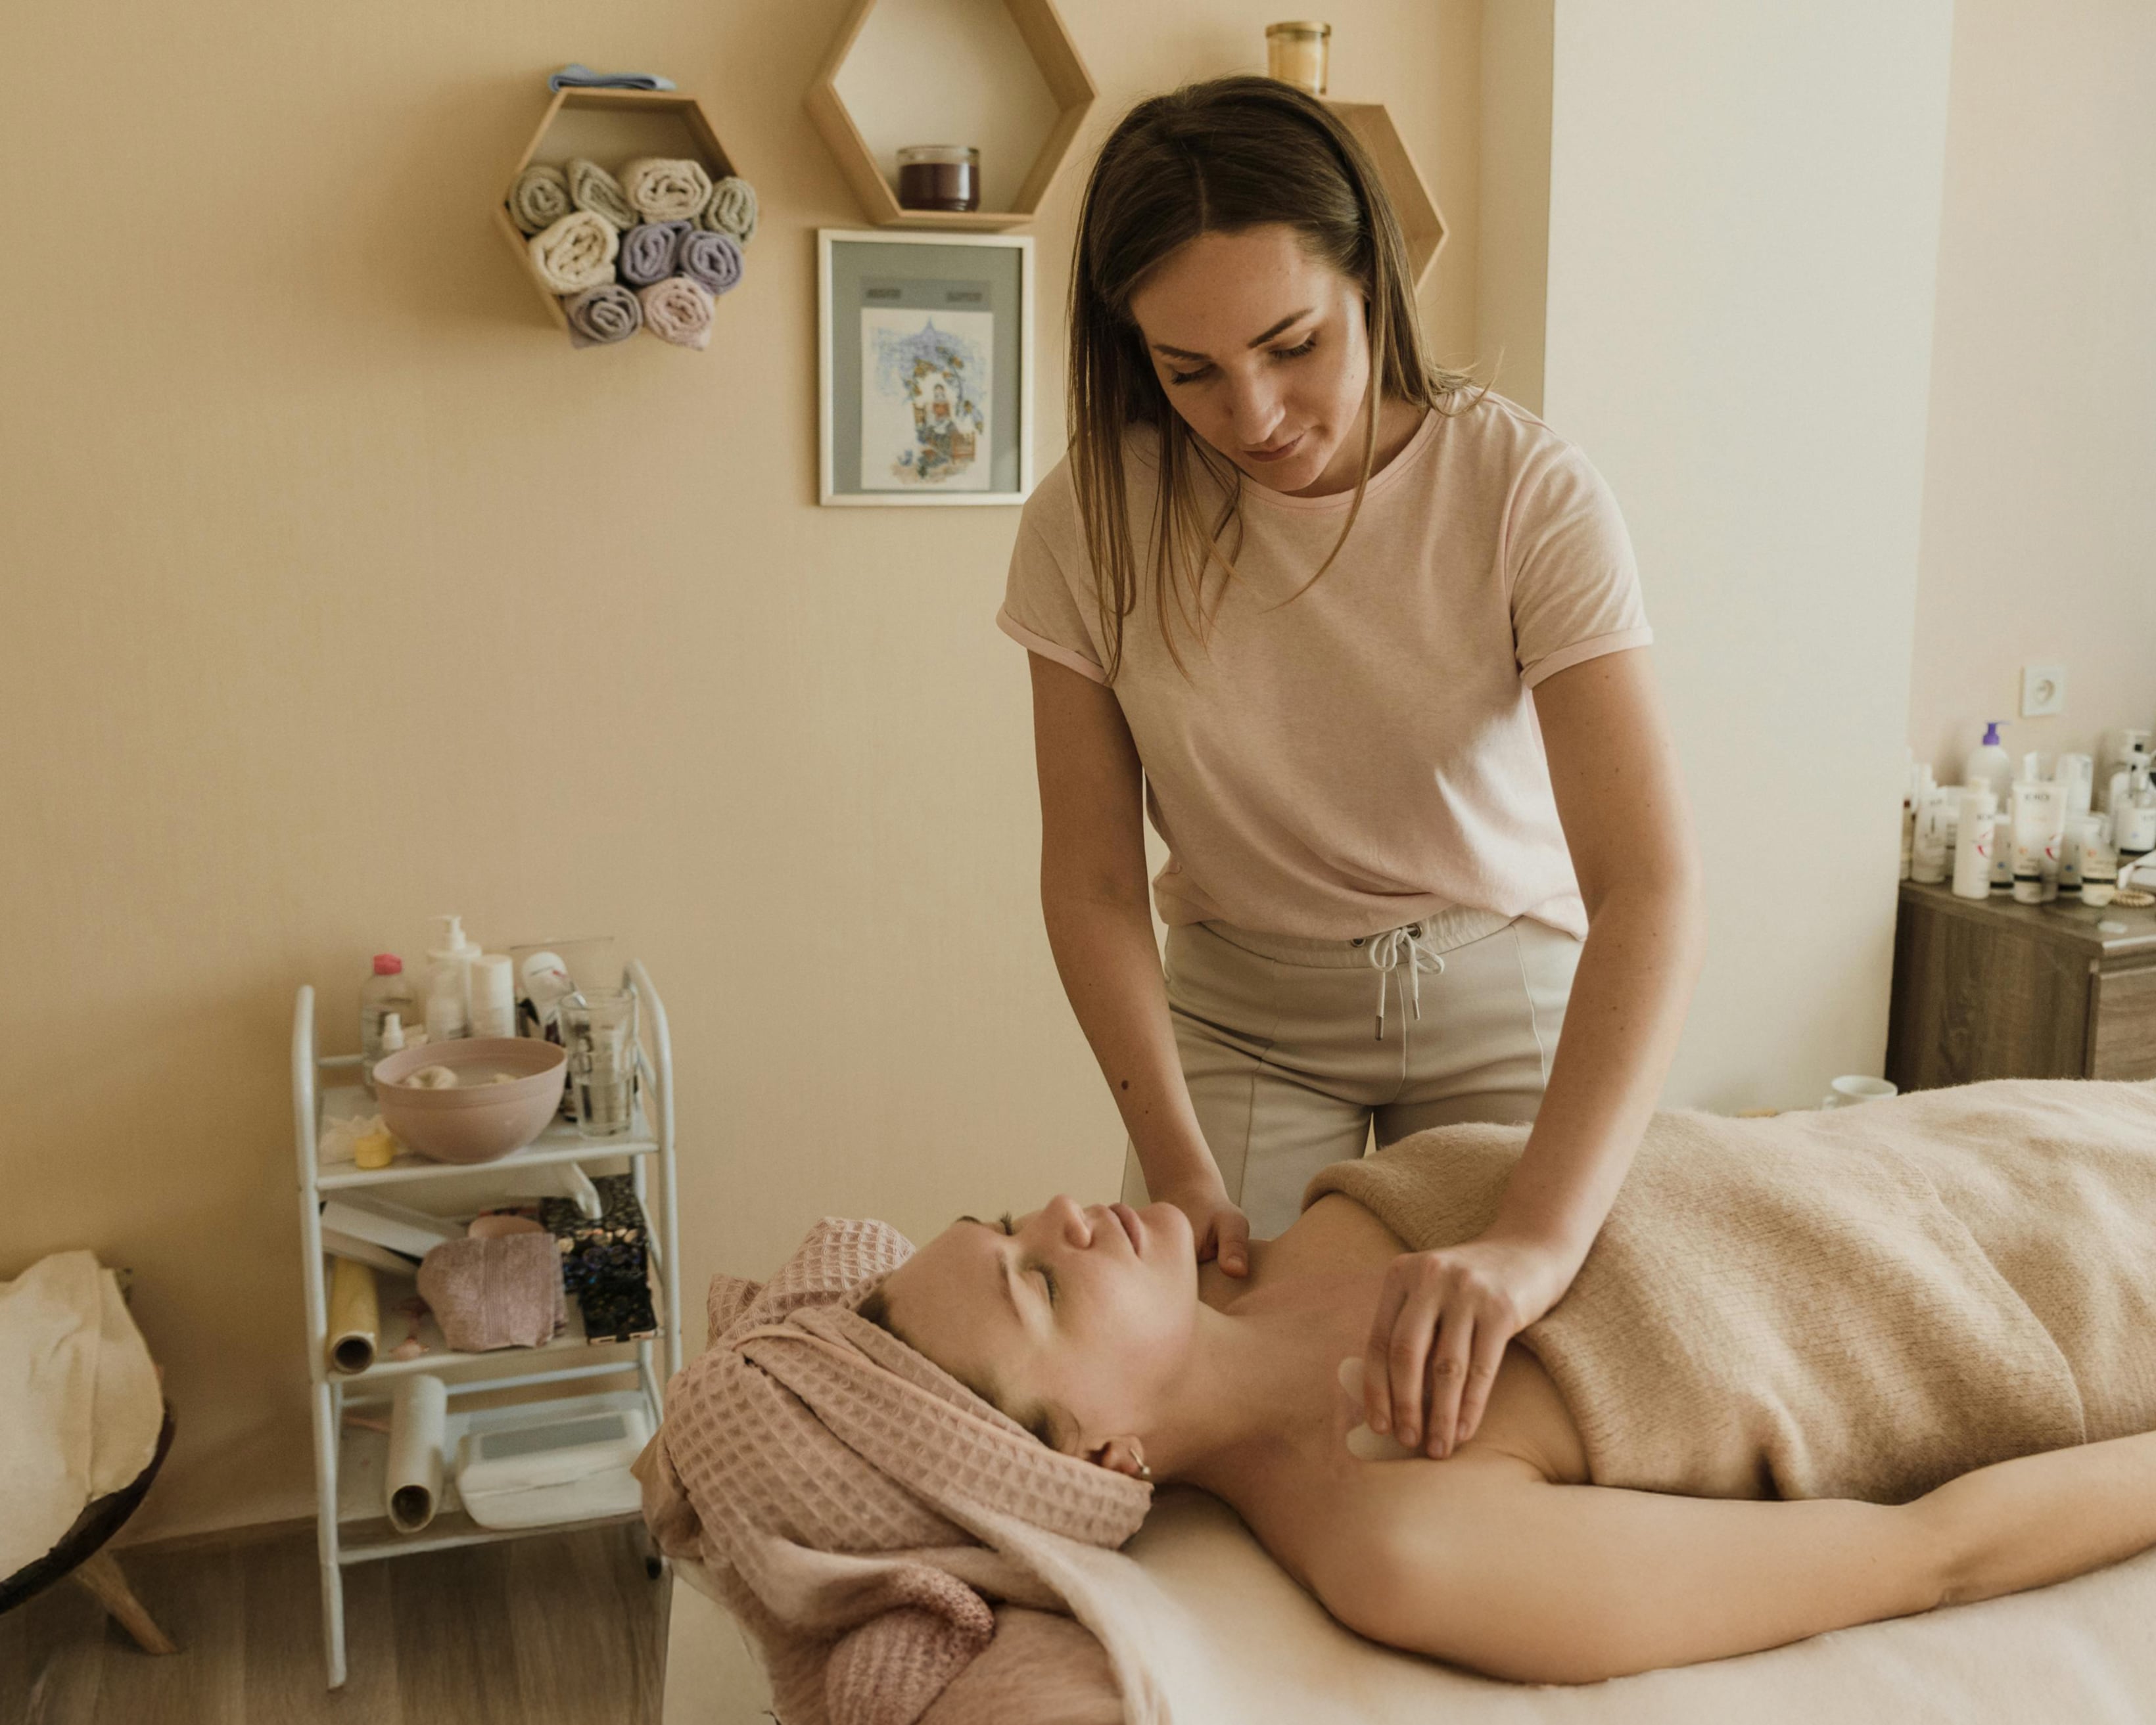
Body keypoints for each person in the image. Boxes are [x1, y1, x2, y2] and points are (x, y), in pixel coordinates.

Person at [997, 76, 1704, 1463]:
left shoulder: (1521, 493)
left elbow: (1649, 884)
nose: (1250, 412)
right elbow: (1087, 881)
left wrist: (1538, 1240)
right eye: (1185, 369)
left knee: (1517, 1404)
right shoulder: (1088, 517)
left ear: (1370, 278)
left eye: (1290, 343)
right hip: (1240, 1013)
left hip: (1499, 979)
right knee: (1197, 1416)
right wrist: (1184, 1168)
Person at [847, 1078, 2156, 1687]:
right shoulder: (1403, 1532)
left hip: (2007, 1148)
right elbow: (1932, 1555)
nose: (1071, 1212)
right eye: (1040, 1284)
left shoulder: (1313, 1221)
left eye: (1011, 1224)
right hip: (2078, 1305)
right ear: (1096, 1461)